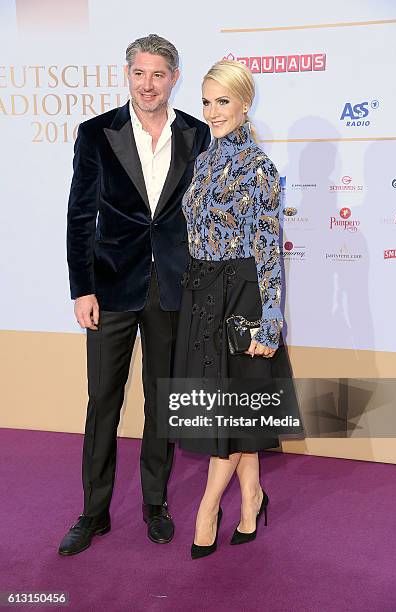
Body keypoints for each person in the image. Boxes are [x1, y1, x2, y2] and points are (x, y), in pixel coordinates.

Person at [59, 34, 210, 556]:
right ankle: (93, 513)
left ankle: (155, 503)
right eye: (139, 73)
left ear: (174, 77)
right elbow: (80, 218)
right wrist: (83, 289)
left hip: (172, 288)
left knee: (163, 401)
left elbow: (203, 219)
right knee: (103, 400)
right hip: (111, 287)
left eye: (159, 75)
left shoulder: (196, 133)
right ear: (127, 74)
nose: (148, 84)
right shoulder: (96, 133)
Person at [173, 60, 299, 558]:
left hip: (240, 297)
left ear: (246, 104)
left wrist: (271, 318)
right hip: (201, 292)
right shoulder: (203, 161)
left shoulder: (260, 168)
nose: (212, 111)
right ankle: (252, 496)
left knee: (229, 410)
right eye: (206, 101)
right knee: (231, 413)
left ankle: (207, 509)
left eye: (222, 101)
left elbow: (268, 245)